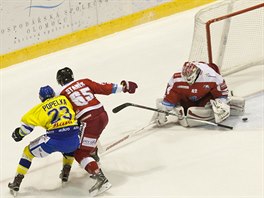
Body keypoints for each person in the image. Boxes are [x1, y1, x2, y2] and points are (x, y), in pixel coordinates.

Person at [56, 67, 138, 196]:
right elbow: (104, 88)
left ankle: (101, 179)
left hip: (89, 120)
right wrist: (124, 87)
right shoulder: (84, 82)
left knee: (79, 152)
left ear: (60, 81)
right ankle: (94, 157)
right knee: (87, 137)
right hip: (102, 115)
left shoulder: (61, 93)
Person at [8, 85, 80, 195]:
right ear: (53, 94)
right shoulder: (64, 99)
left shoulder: (38, 109)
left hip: (54, 139)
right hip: (74, 139)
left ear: (41, 98)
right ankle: (66, 171)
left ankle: (17, 181)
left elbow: (26, 129)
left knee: (27, 153)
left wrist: (18, 134)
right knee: (69, 146)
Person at [152, 61, 245, 127]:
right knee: (185, 110)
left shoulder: (212, 76)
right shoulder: (176, 79)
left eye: (190, 78)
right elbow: (169, 101)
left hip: (205, 98)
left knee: (210, 109)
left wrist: (222, 103)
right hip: (186, 98)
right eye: (186, 79)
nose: (188, 81)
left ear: (197, 73)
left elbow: (222, 94)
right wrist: (164, 110)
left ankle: (226, 106)